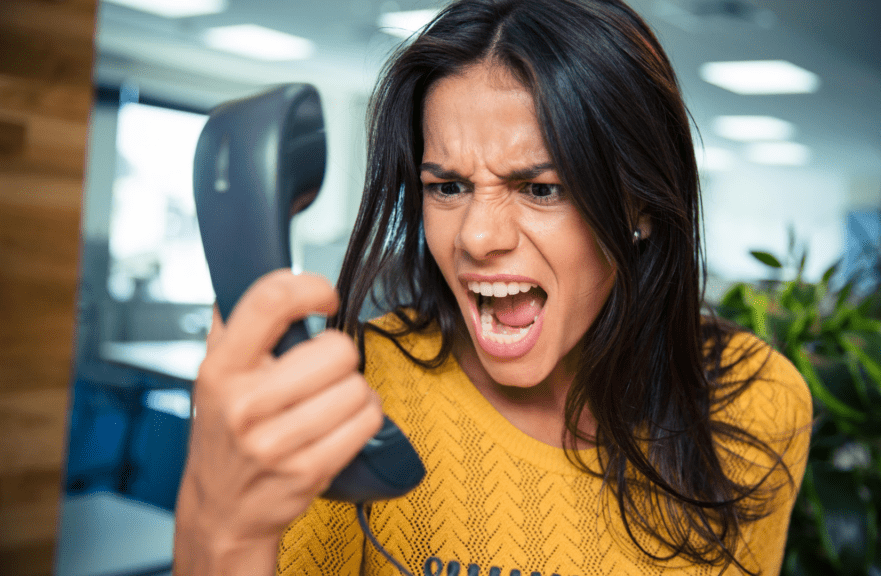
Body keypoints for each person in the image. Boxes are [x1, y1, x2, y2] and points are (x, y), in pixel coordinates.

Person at [172, 0, 812, 574]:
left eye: (541, 189)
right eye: (446, 186)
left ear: (642, 206)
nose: (476, 238)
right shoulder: (352, 398)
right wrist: (220, 533)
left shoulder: (756, 403)